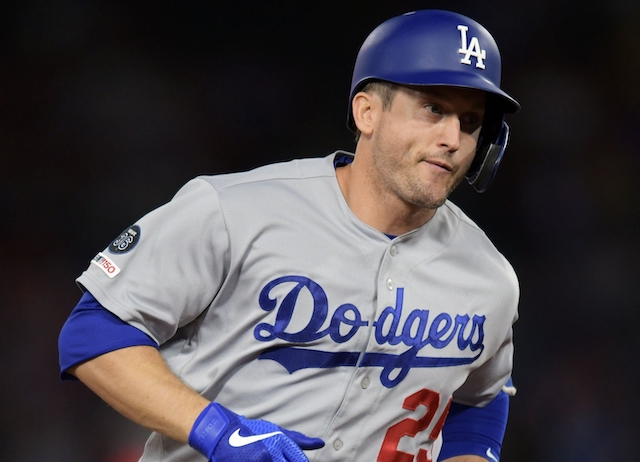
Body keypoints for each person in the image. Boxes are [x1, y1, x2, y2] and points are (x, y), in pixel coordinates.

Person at [59, 9, 520, 462]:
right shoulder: (234, 211)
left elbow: (480, 401)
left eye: (470, 121)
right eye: (433, 109)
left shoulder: (488, 278)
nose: (452, 138)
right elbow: (93, 334)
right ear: (367, 112)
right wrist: (216, 431)